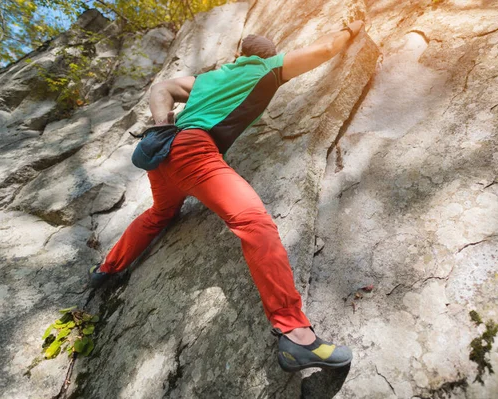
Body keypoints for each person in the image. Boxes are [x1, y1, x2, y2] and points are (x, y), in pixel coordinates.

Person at [89, 20, 365, 372]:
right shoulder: (268, 68)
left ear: (239, 53)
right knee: (254, 223)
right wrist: (351, 29)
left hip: (163, 156)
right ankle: (296, 335)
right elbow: (325, 50)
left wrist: (162, 124)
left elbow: (162, 87)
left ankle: (106, 268)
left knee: (160, 214)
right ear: (268, 54)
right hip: (195, 152)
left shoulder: (207, 79)